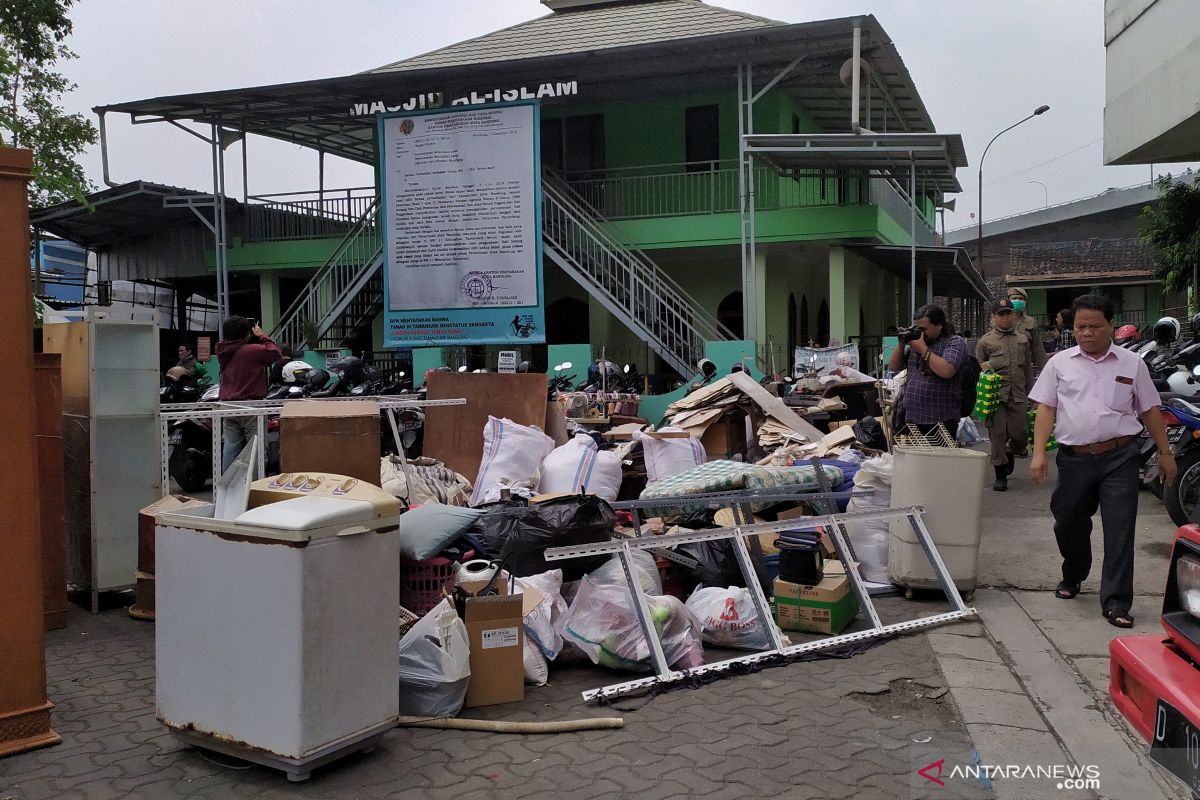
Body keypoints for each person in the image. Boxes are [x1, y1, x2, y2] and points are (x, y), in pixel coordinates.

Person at [1029, 294, 1177, 629]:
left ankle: (1116, 602)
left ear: (1110, 325)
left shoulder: (1131, 364)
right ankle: (1074, 573)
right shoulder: (1059, 363)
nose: (1087, 333)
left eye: (1095, 326)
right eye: (1080, 326)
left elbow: (1149, 410)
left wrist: (1165, 454)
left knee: (1120, 530)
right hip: (1074, 459)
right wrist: (1039, 454)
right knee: (1067, 522)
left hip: (1120, 457)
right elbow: (1046, 408)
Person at [887, 303, 969, 441]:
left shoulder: (954, 342)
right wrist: (902, 342)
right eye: (917, 328)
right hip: (913, 418)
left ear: (939, 325)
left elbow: (947, 370)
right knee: (917, 462)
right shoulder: (918, 343)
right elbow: (894, 367)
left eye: (925, 328)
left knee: (938, 461)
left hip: (941, 420)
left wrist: (923, 350)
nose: (921, 332)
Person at [976, 298, 1034, 492]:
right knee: (998, 436)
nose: (1006, 317)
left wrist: (1033, 393)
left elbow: (1027, 369)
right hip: (995, 396)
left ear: (1013, 315)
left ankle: (1010, 452)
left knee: (1021, 436)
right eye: (1001, 314)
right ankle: (1000, 475)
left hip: (1018, 393)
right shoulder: (985, 341)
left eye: (1008, 313)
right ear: (993, 316)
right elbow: (979, 369)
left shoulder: (1022, 339)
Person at [216, 315, 282, 472]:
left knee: (231, 450)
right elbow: (275, 352)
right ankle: (252, 489)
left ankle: (228, 489)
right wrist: (261, 335)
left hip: (228, 406)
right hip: (251, 406)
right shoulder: (252, 351)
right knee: (255, 451)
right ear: (246, 333)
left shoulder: (221, 350)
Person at [1007, 287, 1047, 370]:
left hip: (1024, 368)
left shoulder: (1031, 322)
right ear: (1008, 300)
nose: (1017, 301)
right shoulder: (999, 321)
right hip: (1003, 369)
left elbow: (1038, 349)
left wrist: (1045, 371)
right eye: (1014, 298)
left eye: (1021, 299)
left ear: (1025, 302)